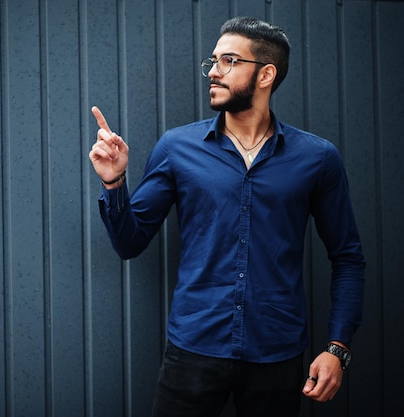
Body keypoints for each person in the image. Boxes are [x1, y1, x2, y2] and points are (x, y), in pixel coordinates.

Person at [88, 16, 365, 417]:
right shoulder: (177, 148)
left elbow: (348, 257)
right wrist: (114, 184)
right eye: (213, 61)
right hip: (193, 352)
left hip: (277, 355)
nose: (214, 72)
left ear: (266, 74)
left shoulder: (317, 158)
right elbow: (130, 242)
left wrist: (337, 349)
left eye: (229, 61)